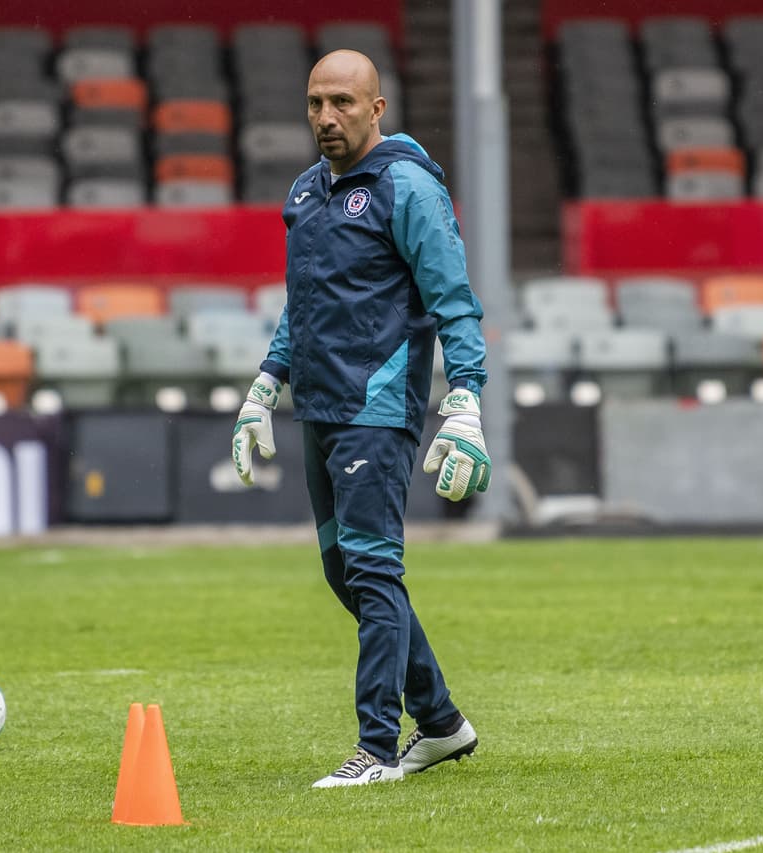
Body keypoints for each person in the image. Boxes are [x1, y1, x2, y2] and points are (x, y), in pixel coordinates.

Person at [231, 50, 491, 788]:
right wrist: (265, 384)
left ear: (378, 109)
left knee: (374, 570)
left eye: (343, 102)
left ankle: (376, 748)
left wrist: (466, 397)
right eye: (315, 102)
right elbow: (305, 305)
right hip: (319, 404)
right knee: (343, 571)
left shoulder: (407, 187)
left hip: (377, 409)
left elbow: (455, 299)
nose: (326, 117)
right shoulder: (307, 192)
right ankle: (440, 722)